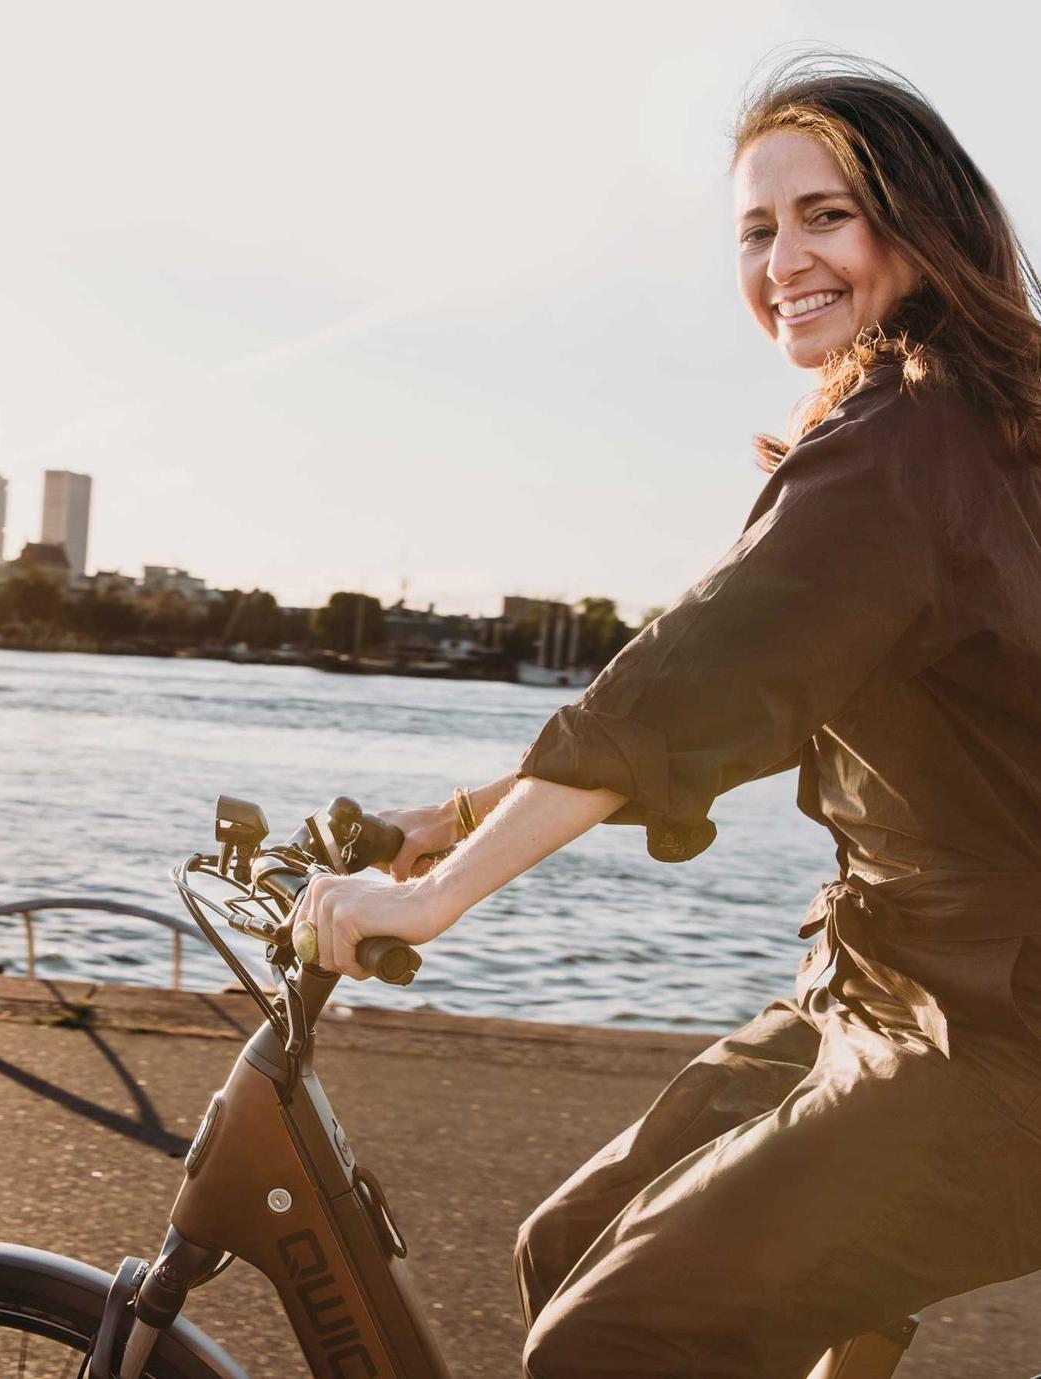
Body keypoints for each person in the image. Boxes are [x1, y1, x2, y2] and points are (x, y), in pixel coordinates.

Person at [294, 53, 1041, 1378]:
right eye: (758, 229)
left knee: (617, 1340)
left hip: (994, 1041)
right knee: (573, 1244)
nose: (782, 260)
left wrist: (435, 897)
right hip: (884, 994)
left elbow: (679, 688)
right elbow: (736, 698)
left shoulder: (900, 450)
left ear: (922, 227)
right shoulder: (956, 430)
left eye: (827, 215)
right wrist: (453, 818)